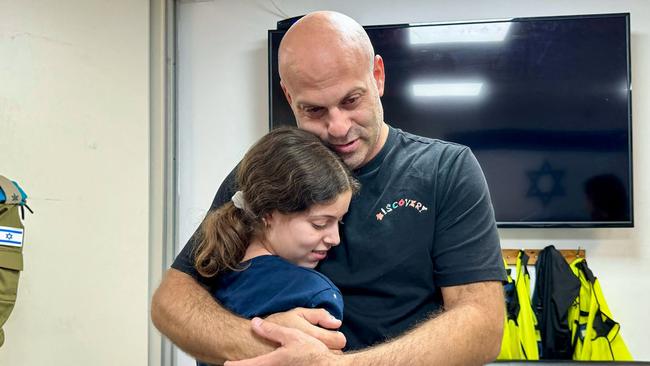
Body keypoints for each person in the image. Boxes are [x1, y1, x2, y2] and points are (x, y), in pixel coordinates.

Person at [152, 10, 506, 366]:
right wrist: (262, 341)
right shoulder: (268, 170)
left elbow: (482, 326)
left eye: (351, 101)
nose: (338, 127)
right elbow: (173, 302)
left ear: (378, 77)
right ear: (289, 97)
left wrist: (330, 364)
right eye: (314, 110)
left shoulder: (446, 170)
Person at [190, 127, 359, 365]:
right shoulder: (312, 293)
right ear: (269, 214)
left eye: (339, 222)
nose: (335, 238)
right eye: (320, 224)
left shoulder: (210, 283)